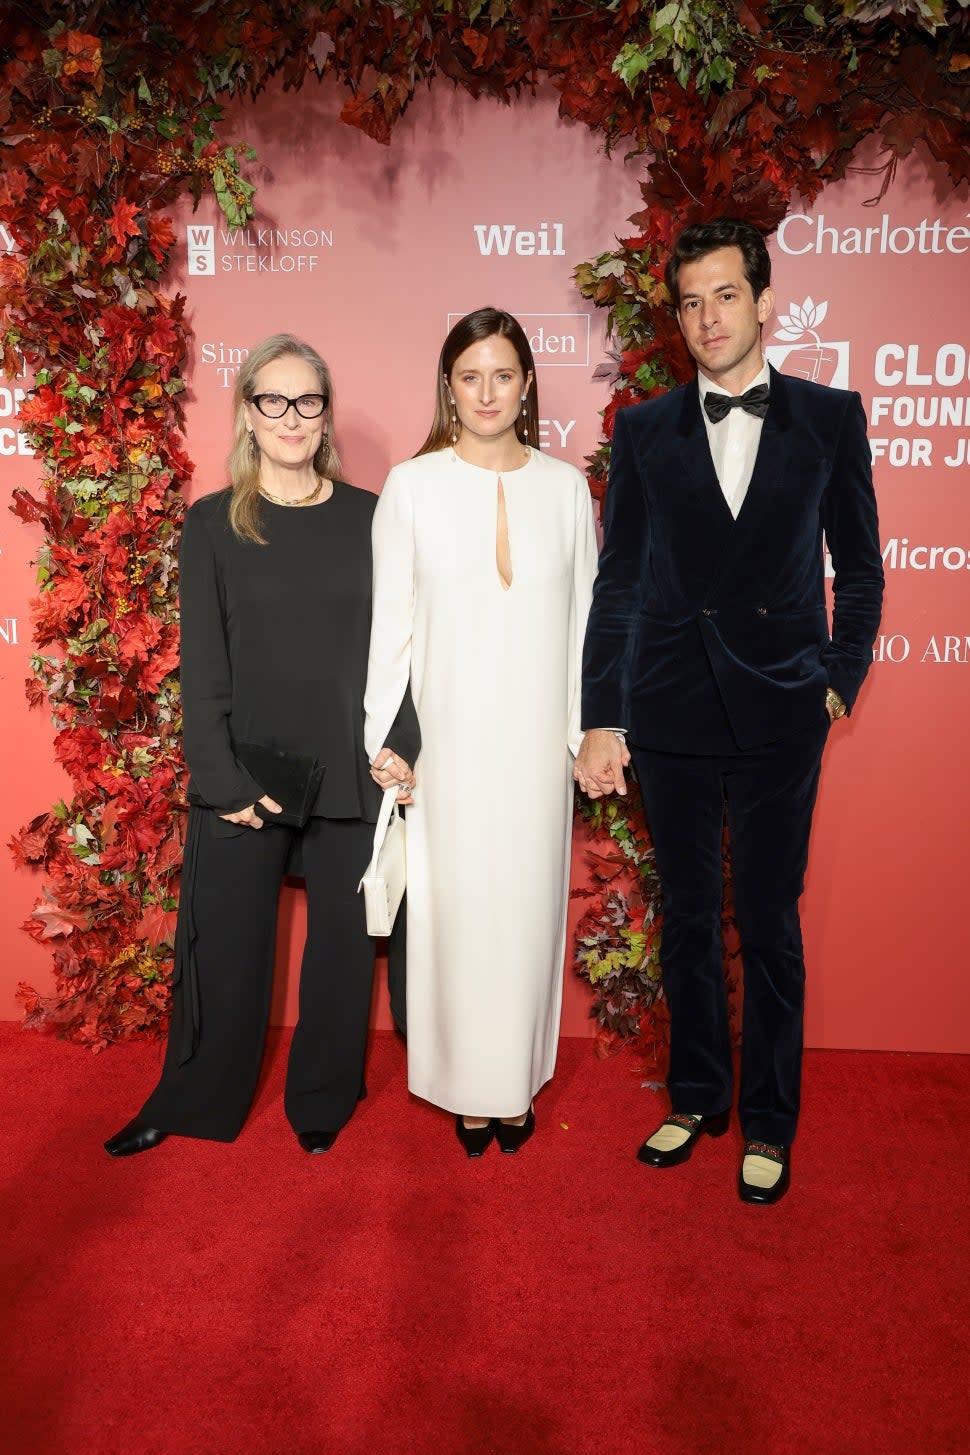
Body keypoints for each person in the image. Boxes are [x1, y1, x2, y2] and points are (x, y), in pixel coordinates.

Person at [576, 218, 884, 1204]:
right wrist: (600, 714)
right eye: (690, 301)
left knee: (767, 918)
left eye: (723, 295)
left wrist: (837, 677)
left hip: (779, 712)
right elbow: (618, 582)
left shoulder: (828, 420)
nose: (707, 317)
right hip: (667, 710)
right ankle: (696, 1093)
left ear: (762, 301)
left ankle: (770, 1119)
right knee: (688, 922)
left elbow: (862, 568)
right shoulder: (643, 429)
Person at [104, 334, 418, 1158]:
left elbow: (407, 643)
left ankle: (321, 1099)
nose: (290, 416)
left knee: (344, 959)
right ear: (248, 412)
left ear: (325, 414)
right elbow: (203, 664)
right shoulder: (213, 523)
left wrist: (401, 744)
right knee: (227, 955)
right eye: (272, 400)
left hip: (352, 767)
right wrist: (219, 777)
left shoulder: (372, 515)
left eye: (306, 401)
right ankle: (196, 1095)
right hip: (247, 770)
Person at [363, 307, 597, 1156]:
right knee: (457, 917)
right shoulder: (411, 486)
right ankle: (467, 1084)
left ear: (527, 384)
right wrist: (385, 740)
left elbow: (586, 628)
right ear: (449, 388)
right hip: (448, 746)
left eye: (503, 375)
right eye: (471, 377)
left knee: (527, 913)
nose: (487, 392)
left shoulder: (567, 490)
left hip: (537, 745)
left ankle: (514, 1080)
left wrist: (585, 734)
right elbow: (391, 627)